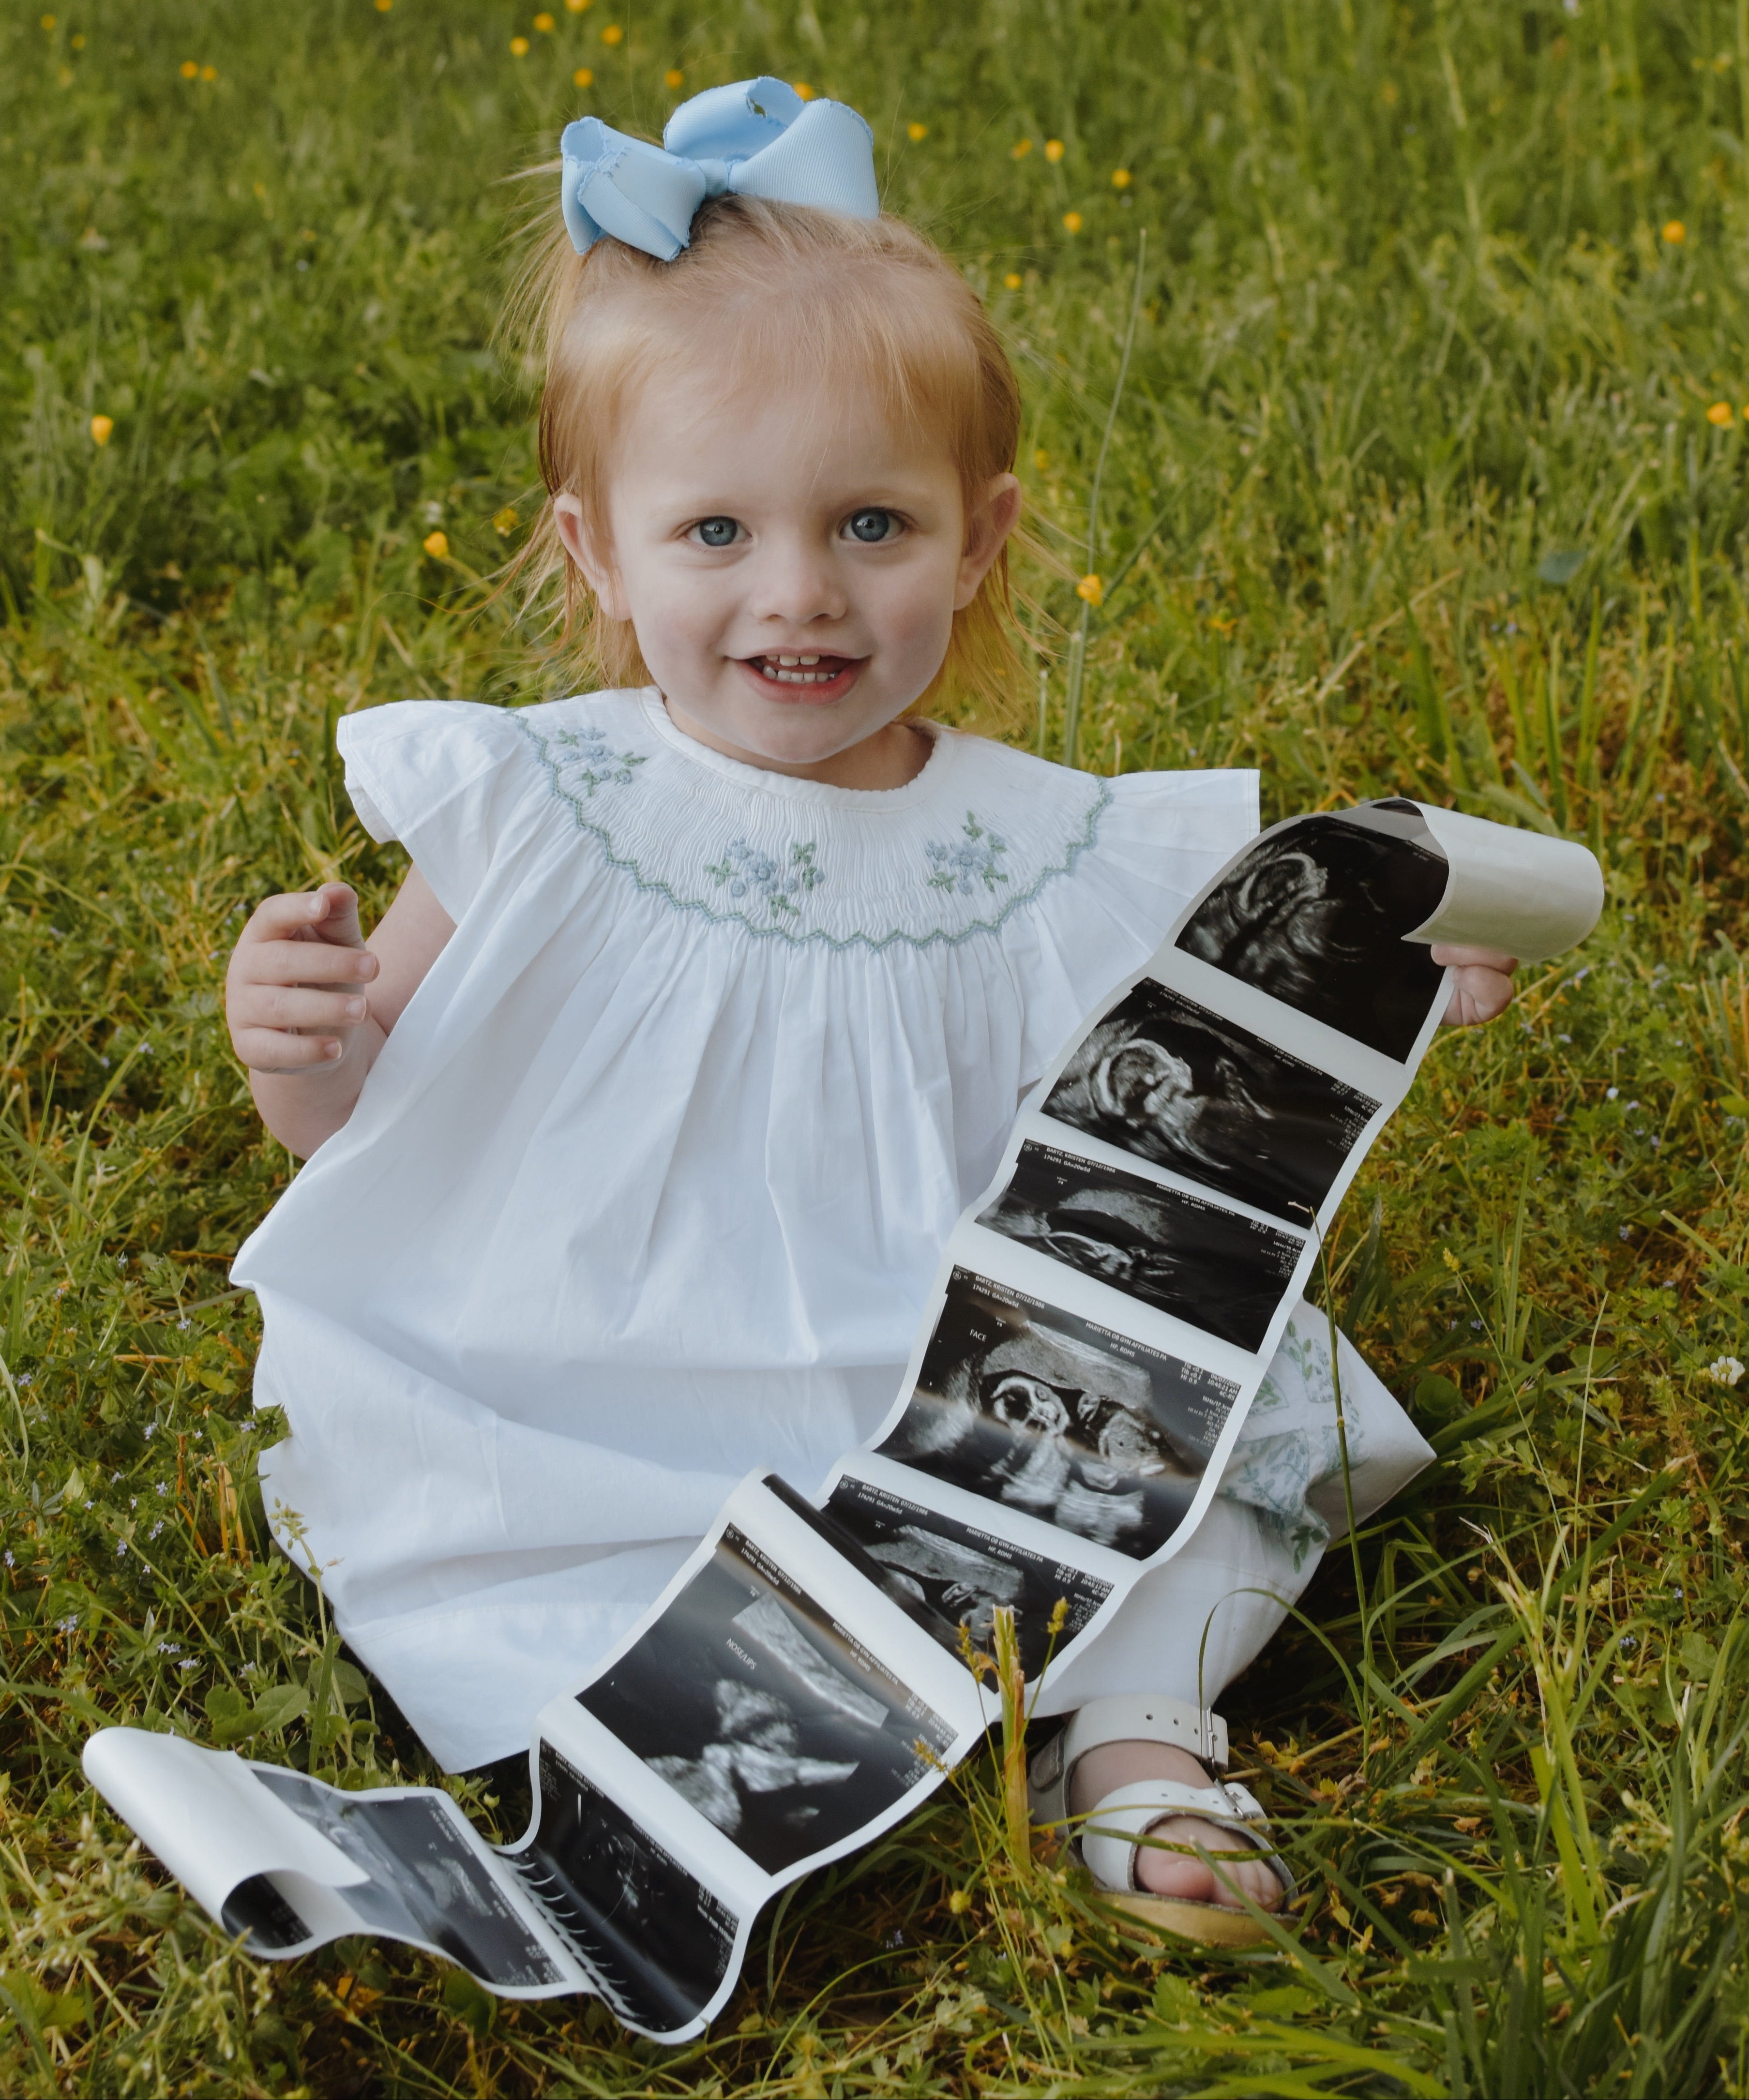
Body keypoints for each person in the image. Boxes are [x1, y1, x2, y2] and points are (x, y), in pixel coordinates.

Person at [223, 79, 1516, 1942]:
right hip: (622, 1357)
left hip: (951, 1362)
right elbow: (367, 1138)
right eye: (717, 535)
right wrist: (314, 1048)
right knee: (598, 1540)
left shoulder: (1045, 851)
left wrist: (1395, 962)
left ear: (980, 538)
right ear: (597, 553)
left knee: (1204, 1441)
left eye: (872, 525)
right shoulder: (545, 811)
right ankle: (665, 1746)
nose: (801, 593)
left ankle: (1137, 1733)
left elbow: (1236, 1027)